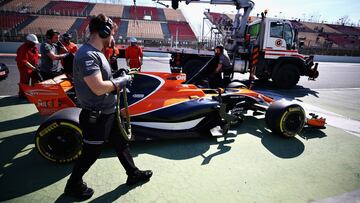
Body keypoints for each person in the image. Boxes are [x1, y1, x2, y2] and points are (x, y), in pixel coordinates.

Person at [64, 14, 152, 200]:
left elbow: (103, 81)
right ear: (103, 32)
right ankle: (73, 185)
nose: (113, 38)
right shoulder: (87, 54)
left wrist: (115, 75)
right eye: (112, 33)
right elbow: (97, 88)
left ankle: (133, 173)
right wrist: (120, 81)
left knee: (121, 144)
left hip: (108, 112)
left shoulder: (97, 53)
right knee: (91, 153)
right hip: (96, 116)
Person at [15, 34, 40, 98]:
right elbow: (24, 61)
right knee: (25, 81)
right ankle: (22, 94)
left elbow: (36, 55)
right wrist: (33, 68)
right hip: (24, 68)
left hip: (33, 67)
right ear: (28, 41)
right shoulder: (23, 49)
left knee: (35, 80)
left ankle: (33, 93)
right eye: (33, 42)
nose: (34, 44)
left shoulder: (33, 47)